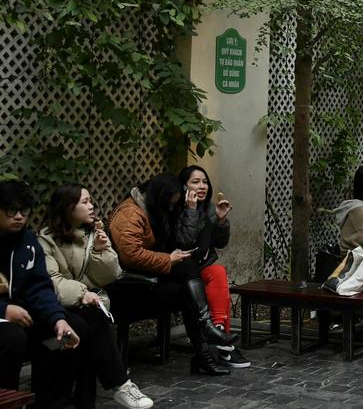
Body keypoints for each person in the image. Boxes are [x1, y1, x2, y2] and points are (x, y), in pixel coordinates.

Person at [38, 185, 154, 408]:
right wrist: (83, 293)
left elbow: (109, 276)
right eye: (84, 202)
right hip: (57, 308)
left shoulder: (93, 233)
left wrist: (101, 251)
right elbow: (52, 282)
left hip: (89, 306)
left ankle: (104, 393)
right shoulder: (45, 241)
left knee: (90, 320)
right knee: (88, 324)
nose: (91, 206)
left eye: (91, 200)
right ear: (67, 207)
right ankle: (120, 385)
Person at [109, 174, 236, 376]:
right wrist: (168, 260)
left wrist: (191, 212)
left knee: (186, 279)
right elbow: (131, 256)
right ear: (160, 196)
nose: (170, 208)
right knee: (186, 283)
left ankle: (204, 352)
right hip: (129, 289)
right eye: (169, 203)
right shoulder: (130, 214)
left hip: (149, 281)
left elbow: (188, 242)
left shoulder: (153, 209)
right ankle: (205, 338)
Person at [0, 179, 81, 407]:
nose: (19, 217)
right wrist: (4, 309)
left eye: (24, 211)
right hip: (5, 320)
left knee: (64, 337)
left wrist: (58, 319)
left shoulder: (27, 242)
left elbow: (39, 287)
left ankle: (49, 401)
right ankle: (10, 402)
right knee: (13, 339)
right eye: (11, 210)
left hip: (21, 314)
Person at [175, 165, 249, 369]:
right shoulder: (178, 210)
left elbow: (220, 243)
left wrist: (222, 220)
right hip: (180, 271)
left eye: (205, 182)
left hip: (200, 268)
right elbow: (185, 243)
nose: (202, 186)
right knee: (217, 276)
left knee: (218, 272)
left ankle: (218, 331)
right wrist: (190, 211)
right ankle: (224, 344)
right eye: (195, 182)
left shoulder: (207, 208)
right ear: (183, 187)